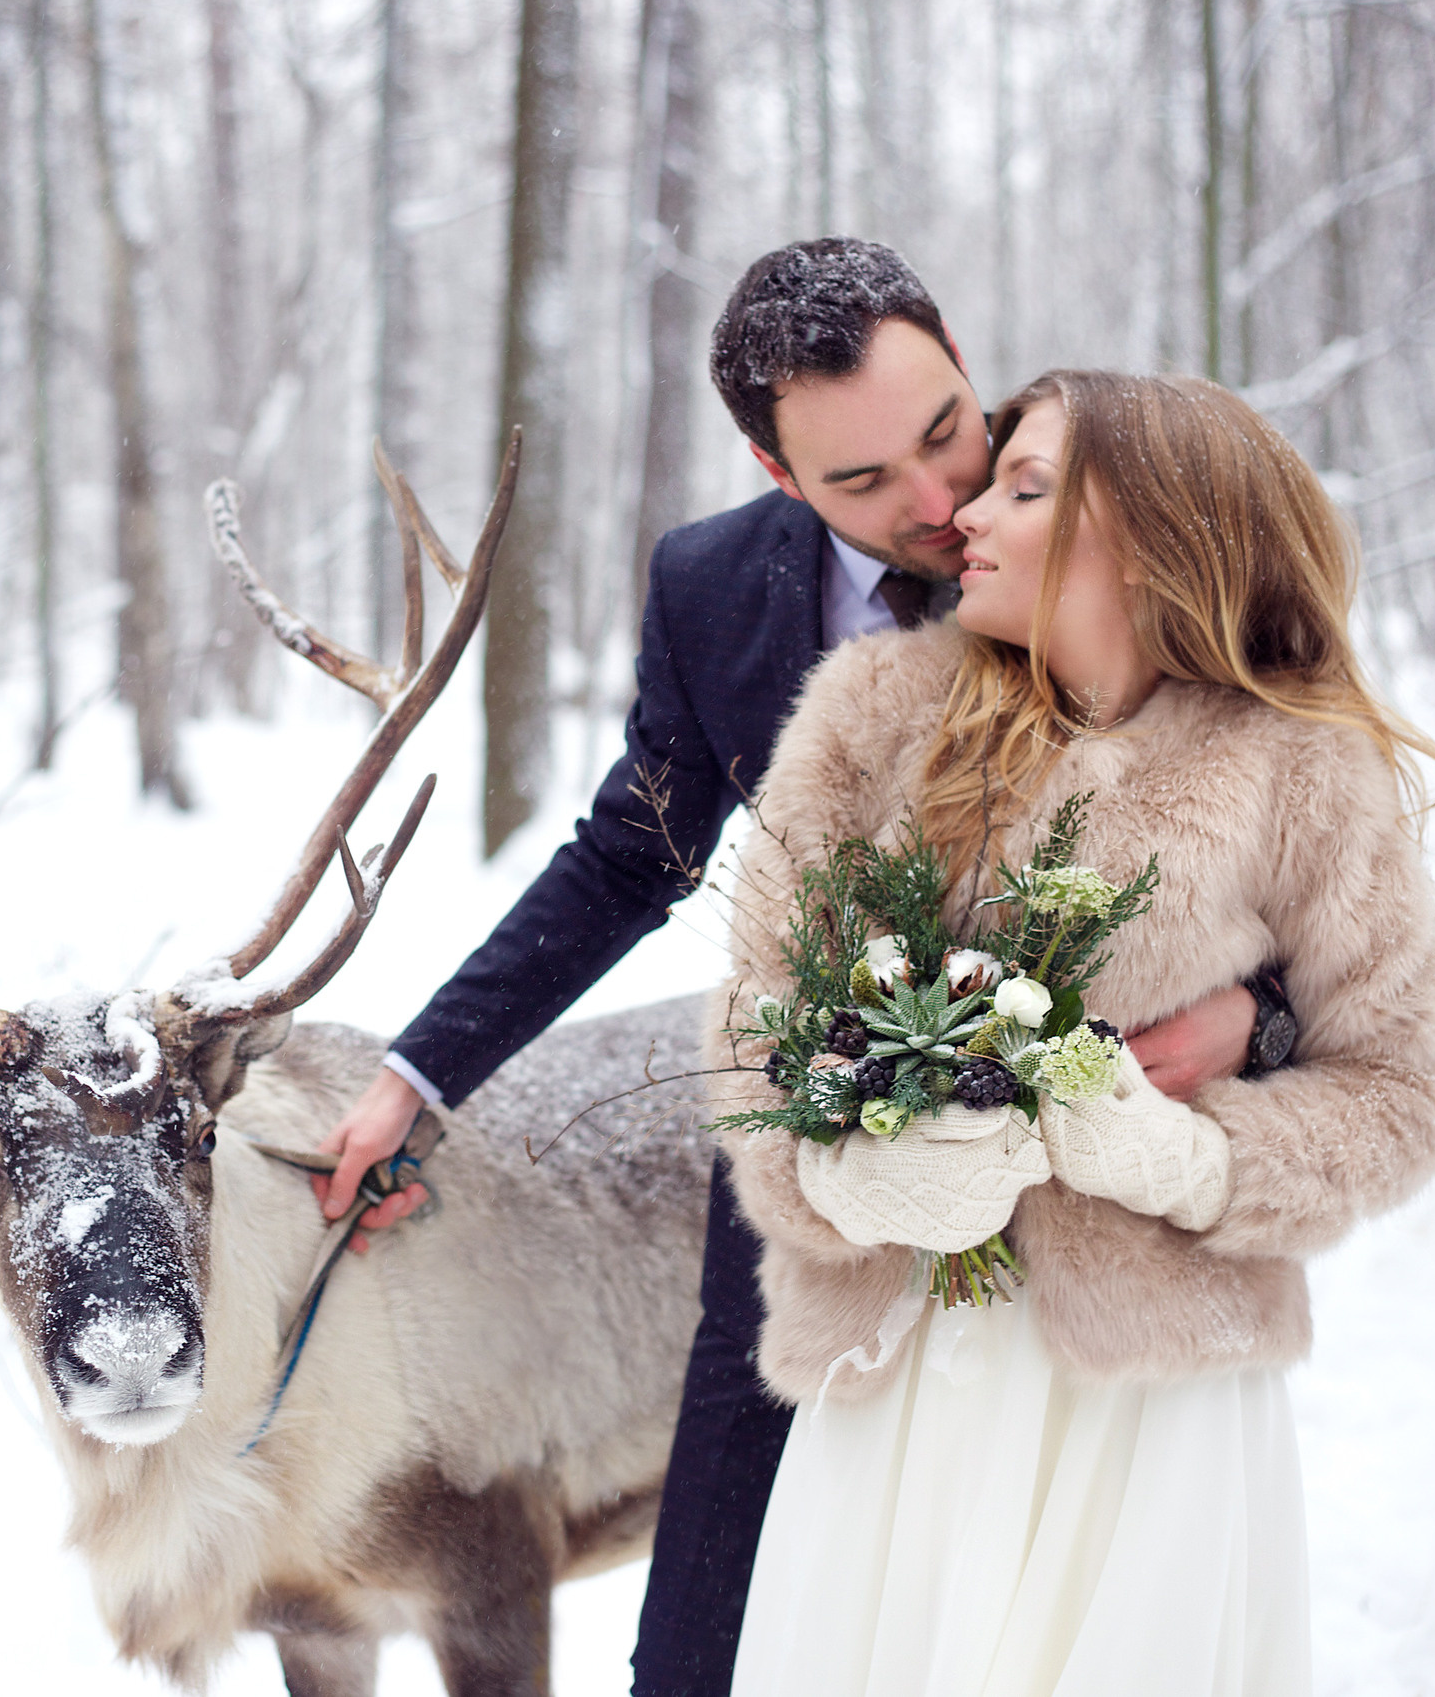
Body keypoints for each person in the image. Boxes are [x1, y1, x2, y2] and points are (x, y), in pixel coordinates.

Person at [310, 239, 1285, 1694]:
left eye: (947, 431)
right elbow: (631, 856)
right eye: (866, 483)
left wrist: (1252, 1019)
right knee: (705, 1641)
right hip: (816, 1182)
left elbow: (1306, 830)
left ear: (962, 354)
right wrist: (414, 1077)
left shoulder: (1121, 508)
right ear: (778, 478)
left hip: (1099, 1195)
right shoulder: (709, 591)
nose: (942, 501)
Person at [712, 370, 1435, 1694]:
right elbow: (750, 1039)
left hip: (1154, 1413)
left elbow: (1404, 1090)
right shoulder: (870, 716)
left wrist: (1196, 1159)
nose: (964, 516)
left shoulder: (1300, 767)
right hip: (897, 1397)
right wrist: (840, 1169)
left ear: (1155, 532)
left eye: (1025, 485)